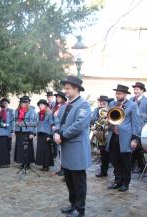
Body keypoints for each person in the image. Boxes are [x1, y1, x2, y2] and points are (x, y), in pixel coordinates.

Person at [54, 75, 91, 217]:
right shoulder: (64, 106)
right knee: (69, 179)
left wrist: (62, 135)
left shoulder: (83, 105)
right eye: (65, 88)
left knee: (78, 181)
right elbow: (58, 120)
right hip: (66, 149)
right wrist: (56, 131)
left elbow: (79, 125)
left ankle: (80, 209)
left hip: (77, 149)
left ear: (76, 89)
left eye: (68, 88)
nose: (66, 91)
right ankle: (73, 204)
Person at [106, 84, 140, 192]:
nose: (117, 95)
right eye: (116, 93)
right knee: (115, 159)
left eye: (119, 93)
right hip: (114, 135)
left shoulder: (132, 105)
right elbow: (109, 117)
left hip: (126, 136)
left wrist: (134, 139)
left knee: (125, 161)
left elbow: (136, 122)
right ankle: (117, 181)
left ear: (125, 94)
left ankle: (125, 183)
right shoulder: (112, 104)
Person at [14, 96, 37, 169]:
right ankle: (22, 162)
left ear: (27, 103)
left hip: (27, 132)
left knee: (27, 148)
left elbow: (33, 123)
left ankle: (28, 163)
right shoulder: (17, 111)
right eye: (21, 103)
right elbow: (15, 121)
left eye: (24, 103)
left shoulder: (31, 111)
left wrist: (31, 133)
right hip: (19, 132)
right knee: (21, 148)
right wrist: (15, 129)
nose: (23, 104)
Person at [91, 95, 111, 177]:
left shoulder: (110, 110)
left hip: (108, 133)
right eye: (101, 101)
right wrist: (94, 127)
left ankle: (115, 172)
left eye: (104, 101)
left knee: (110, 153)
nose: (102, 103)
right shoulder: (97, 109)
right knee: (103, 154)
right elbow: (93, 119)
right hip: (100, 134)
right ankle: (103, 171)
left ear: (107, 102)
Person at [130, 82, 147, 173]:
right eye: (134, 89)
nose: (135, 91)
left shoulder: (146, 100)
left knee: (138, 146)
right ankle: (139, 165)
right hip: (131, 126)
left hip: (142, 127)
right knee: (134, 146)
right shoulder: (131, 99)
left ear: (142, 91)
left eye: (137, 89)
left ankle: (135, 165)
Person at [35, 99, 53, 171]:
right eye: (39, 105)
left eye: (41, 105)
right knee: (41, 150)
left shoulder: (49, 113)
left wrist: (49, 135)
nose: (40, 106)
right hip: (40, 134)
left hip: (46, 134)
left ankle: (47, 165)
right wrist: (36, 133)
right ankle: (43, 165)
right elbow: (37, 124)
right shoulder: (38, 114)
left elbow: (50, 124)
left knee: (46, 151)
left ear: (45, 105)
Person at [52, 91, 67, 176]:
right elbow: (53, 117)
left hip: (60, 130)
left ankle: (64, 169)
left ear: (63, 98)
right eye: (57, 97)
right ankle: (61, 168)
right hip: (55, 129)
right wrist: (52, 125)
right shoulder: (56, 106)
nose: (57, 98)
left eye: (59, 97)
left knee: (62, 151)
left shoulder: (65, 106)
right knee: (59, 151)